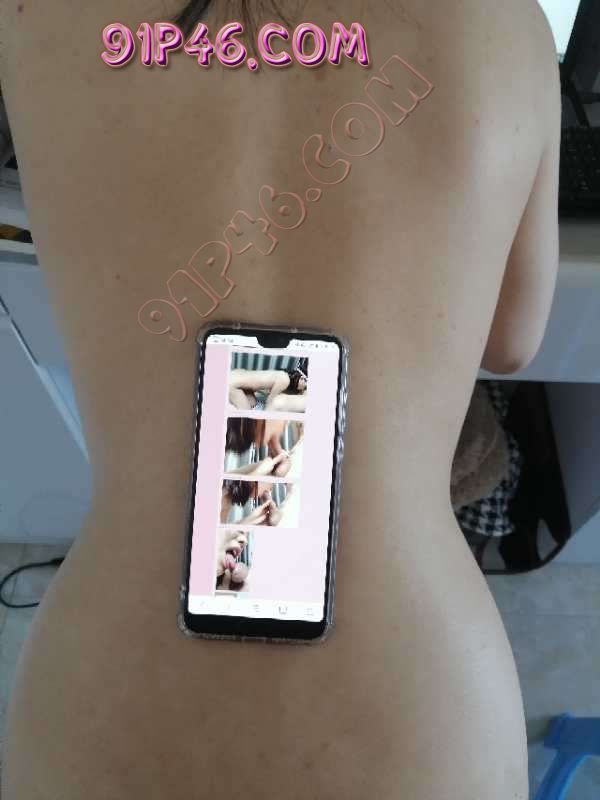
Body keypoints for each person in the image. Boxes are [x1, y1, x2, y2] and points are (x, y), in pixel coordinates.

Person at [0, 0, 560, 797]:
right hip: (415, 716)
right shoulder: (506, 26)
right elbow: (512, 341)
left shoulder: (34, 17)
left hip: (105, 708)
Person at [228, 365, 308, 411]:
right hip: (232, 384)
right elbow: (270, 402)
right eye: (304, 387)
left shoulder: (281, 374)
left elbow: (255, 385)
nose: (302, 389)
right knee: (247, 415)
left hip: (235, 375)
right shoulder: (285, 380)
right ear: (302, 378)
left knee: (252, 401)